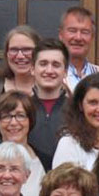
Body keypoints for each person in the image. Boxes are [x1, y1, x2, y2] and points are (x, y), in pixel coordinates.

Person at [28, 39, 71, 169]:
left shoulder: (77, 110)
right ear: (32, 69)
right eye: (43, 64)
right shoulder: (21, 108)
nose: (49, 70)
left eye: (56, 65)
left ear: (65, 71)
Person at [58, 6, 99, 90]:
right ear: (61, 35)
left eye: (84, 32)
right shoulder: (50, 75)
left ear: (92, 37)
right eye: (72, 31)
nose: (78, 38)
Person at [0, 25, 40, 97]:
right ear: (7, 54)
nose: (20, 56)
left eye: (27, 49)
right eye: (14, 50)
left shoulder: (53, 87)